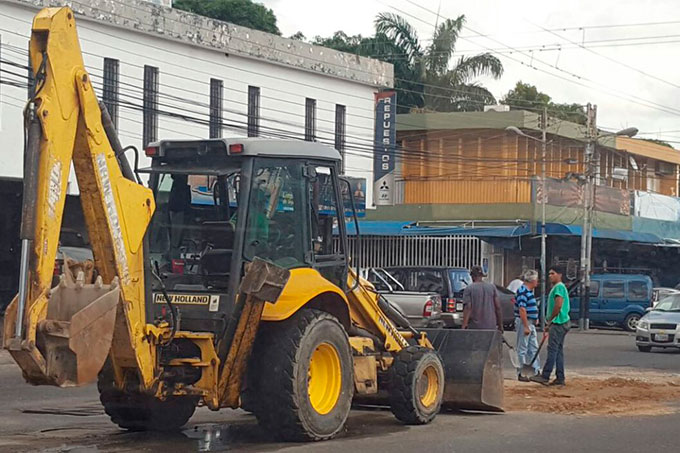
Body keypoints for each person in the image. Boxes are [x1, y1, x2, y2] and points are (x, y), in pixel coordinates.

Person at [531, 265, 571, 386]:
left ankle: (545, 375)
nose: (550, 276)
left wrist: (550, 321)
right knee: (558, 350)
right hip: (562, 322)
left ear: (559, 275)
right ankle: (560, 377)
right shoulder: (559, 287)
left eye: (552, 273)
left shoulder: (558, 287)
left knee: (553, 350)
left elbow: (558, 305)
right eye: (549, 274)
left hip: (558, 322)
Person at [514, 270, 541, 381]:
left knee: (533, 347)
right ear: (533, 280)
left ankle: (535, 370)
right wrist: (525, 326)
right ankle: (521, 373)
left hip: (530, 322)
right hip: (524, 322)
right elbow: (522, 309)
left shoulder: (527, 291)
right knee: (523, 348)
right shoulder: (523, 291)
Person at [462, 266, 503, 332]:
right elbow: (498, 307)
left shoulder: (469, 289)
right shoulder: (492, 287)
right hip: (491, 327)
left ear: (472, 276)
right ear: (482, 276)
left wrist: (464, 326)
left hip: (475, 327)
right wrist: (500, 325)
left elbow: (468, 308)